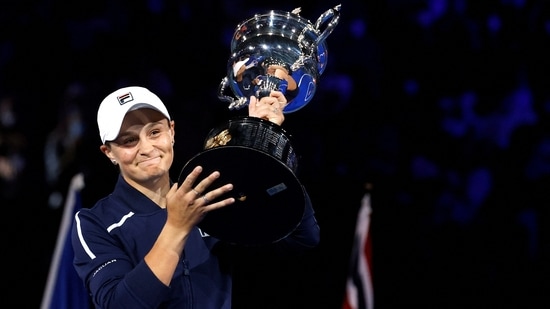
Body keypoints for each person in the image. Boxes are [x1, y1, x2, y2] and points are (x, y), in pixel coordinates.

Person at [71, 85, 320, 308]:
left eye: (155, 132)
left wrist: (264, 145)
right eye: (129, 140)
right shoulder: (95, 222)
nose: (147, 148)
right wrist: (176, 226)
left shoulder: (211, 196)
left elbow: (302, 237)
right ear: (108, 153)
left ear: (172, 132)